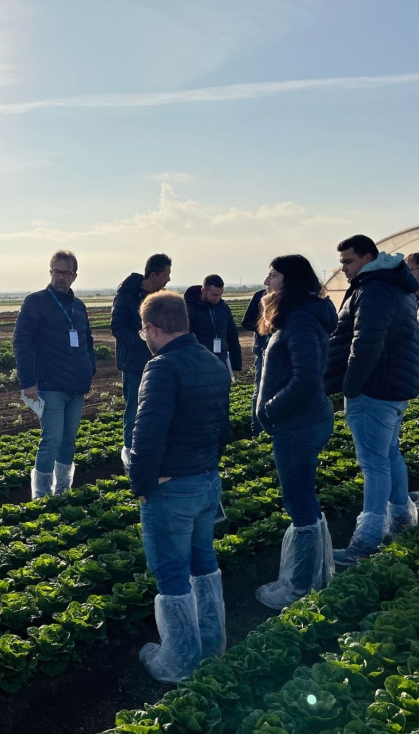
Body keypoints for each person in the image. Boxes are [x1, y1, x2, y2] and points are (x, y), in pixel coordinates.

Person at [130, 291, 230, 683]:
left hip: (172, 488)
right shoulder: (212, 362)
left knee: (171, 572)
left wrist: (141, 484)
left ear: (153, 328)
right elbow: (223, 428)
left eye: (144, 332)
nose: (146, 339)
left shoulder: (162, 368)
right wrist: (207, 465)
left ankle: (179, 662)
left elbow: (147, 434)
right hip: (207, 481)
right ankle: (211, 643)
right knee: (203, 562)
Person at [326, 235, 419, 566]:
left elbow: (365, 344)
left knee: (374, 462)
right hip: (393, 386)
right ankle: (402, 519)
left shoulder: (376, 288)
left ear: (368, 257)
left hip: (375, 388)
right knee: (390, 454)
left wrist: (349, 387)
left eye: (348, 262)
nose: (344, 269)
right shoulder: (395, 283)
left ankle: (366, 542)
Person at [255, 255, 337, 609]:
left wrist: (270, 409)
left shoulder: (301, 321)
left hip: (298, 424)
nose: (267, 280)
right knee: (304, 500)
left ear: (288, 279)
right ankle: (315, 575)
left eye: (273, 274)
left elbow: (305, 379)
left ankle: (300, 587)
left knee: (299, 502)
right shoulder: (299, 316)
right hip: (302, 421)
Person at [14, 250, 96, 499]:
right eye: (57, 272)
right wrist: (28, 381)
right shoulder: (36, 302)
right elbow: (22, 341)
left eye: (67, 273)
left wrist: (89, 370)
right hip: (50, 384)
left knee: (69, 440)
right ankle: (40, 495)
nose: (62, 277)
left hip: (76, 386)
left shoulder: (79, 307)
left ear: (74, 276)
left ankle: (62, 491)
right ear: (50, 273)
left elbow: (87, 341)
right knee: (52, 438)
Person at [110, 254, 172, 473]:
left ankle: (155, 458)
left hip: (160, 363)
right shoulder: (127, 296)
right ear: (153, 274)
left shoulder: (162, 297)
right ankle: (132, 464)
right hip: (135, 364)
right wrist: (143, 341)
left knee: (158, 410)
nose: (168, 280)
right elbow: (118, 328)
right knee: (134, 412)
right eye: (165, 274)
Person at [184, 274, 242, 379]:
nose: (217, 299)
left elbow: (232, 335)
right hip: (198, 364)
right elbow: (185, 339)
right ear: (203, 291)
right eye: (214, 295)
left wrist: (236, 365)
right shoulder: (189, 309)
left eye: (220, 295)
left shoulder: (223, 308)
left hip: (221, 361)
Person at [241, 288, 268, 436]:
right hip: (263, 347)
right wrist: (265, 327)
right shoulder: (260, 295)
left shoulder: (291, 295)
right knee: (260, 388)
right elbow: (247, 321)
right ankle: (257, 429)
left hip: (284, 349)